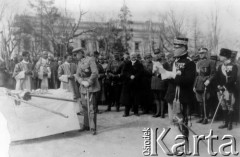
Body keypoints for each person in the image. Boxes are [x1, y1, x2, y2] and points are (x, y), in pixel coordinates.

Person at [161, 37, 196, 153]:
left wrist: (173, 76)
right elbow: (171, 81)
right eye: (174, 47)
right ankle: (177, 146)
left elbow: (188, 81)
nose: (174, 49)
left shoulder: (190, 63)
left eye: (177, 47)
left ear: (184, 48)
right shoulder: (174, 62)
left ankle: (183, 148)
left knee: (181, 123)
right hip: (172, 96)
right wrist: (163, 74)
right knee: (172, 122)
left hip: (182, 98)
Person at [75, 51, 100, 135]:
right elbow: (77, 75)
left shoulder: (90, 60)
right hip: (83, 86)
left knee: (92, 107)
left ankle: (93, 127)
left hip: (91, 86)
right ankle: (86, 125)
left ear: (81, 53)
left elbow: (95, 72)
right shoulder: (79, 62)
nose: (76, 56)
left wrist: (89, 82)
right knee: (84, 107)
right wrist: (81, 81)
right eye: (74, 55)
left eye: (77, 54)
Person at [216, 48, 238, 130]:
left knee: (230, 106)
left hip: (230, 89)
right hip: (220, 90)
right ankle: (225, 122)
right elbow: (217, 77)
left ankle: (230, 123)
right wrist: (218, 85)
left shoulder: (233, 66)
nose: (220, 57)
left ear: (225, 57)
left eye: (221, 55)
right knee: (223, 105)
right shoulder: (220, 67)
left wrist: (225, 87)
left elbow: (234, 78)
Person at [193, 48, 216, 124]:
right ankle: (201, 117)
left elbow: (213, 74)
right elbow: (196, 75)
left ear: (206, 53)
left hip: (206, 83)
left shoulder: (211, 62)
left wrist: (209, 80)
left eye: (203, 53)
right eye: (200, 53)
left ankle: (206, 118)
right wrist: (194, 86)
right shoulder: (198, 63)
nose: (201, 54)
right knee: (200, 102)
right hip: (198, 84)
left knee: (205, 101)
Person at [121, 52, 144, 117]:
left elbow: (141, 72)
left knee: (136, 98)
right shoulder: (127, 64)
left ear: (136, 57)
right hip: (128, 84)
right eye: (132, 56)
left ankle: (136, 112)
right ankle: (126, 112)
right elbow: (124, 72)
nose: (133, 57)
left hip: (136, 84)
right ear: (130, 57)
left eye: (134, 56)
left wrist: (135, 76)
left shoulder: (139, 64)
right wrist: (129, 76)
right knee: (127, 99)